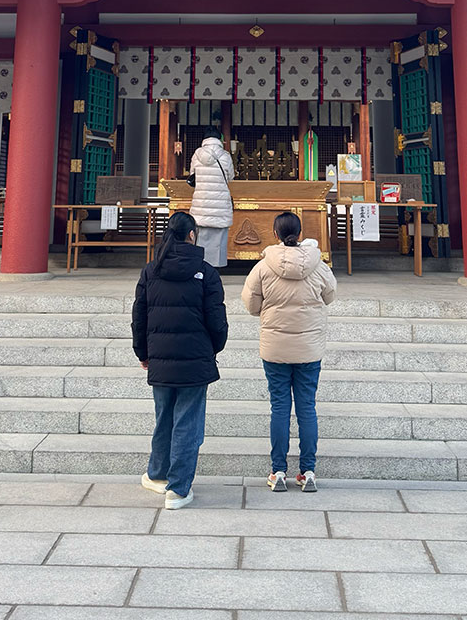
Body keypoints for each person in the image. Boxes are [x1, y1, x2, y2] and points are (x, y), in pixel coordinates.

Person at [131, 210, 228, 509]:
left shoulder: (150, 271)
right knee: (187, 423)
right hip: (195, 358)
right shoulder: (206, 272)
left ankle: (158, 474)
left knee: (165, 418)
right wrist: (213, 349)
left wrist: (143, 353)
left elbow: (139, 317)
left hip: (160, 358)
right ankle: (179, 488)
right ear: (191, 235)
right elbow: (217, 320)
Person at [241, 210, 337, 493]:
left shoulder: (263, 266)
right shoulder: (319, 266)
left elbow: (250, 304)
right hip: (309, 349)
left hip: (275, 349)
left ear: (275, 235)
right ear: (301, 234)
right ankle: (308, 471)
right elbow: (330, 296)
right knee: (307, 407)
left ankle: (278, 470)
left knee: (280, 407)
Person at [188, 126, 234, 269]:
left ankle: (199, 267)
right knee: (218, 242)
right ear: (219, 139)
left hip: (201, 205)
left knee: (200, 240)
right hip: (220, 206)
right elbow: (230, 177)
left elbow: (192, 174)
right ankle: (215, 271)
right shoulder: (225, 156)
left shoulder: (197, 155)